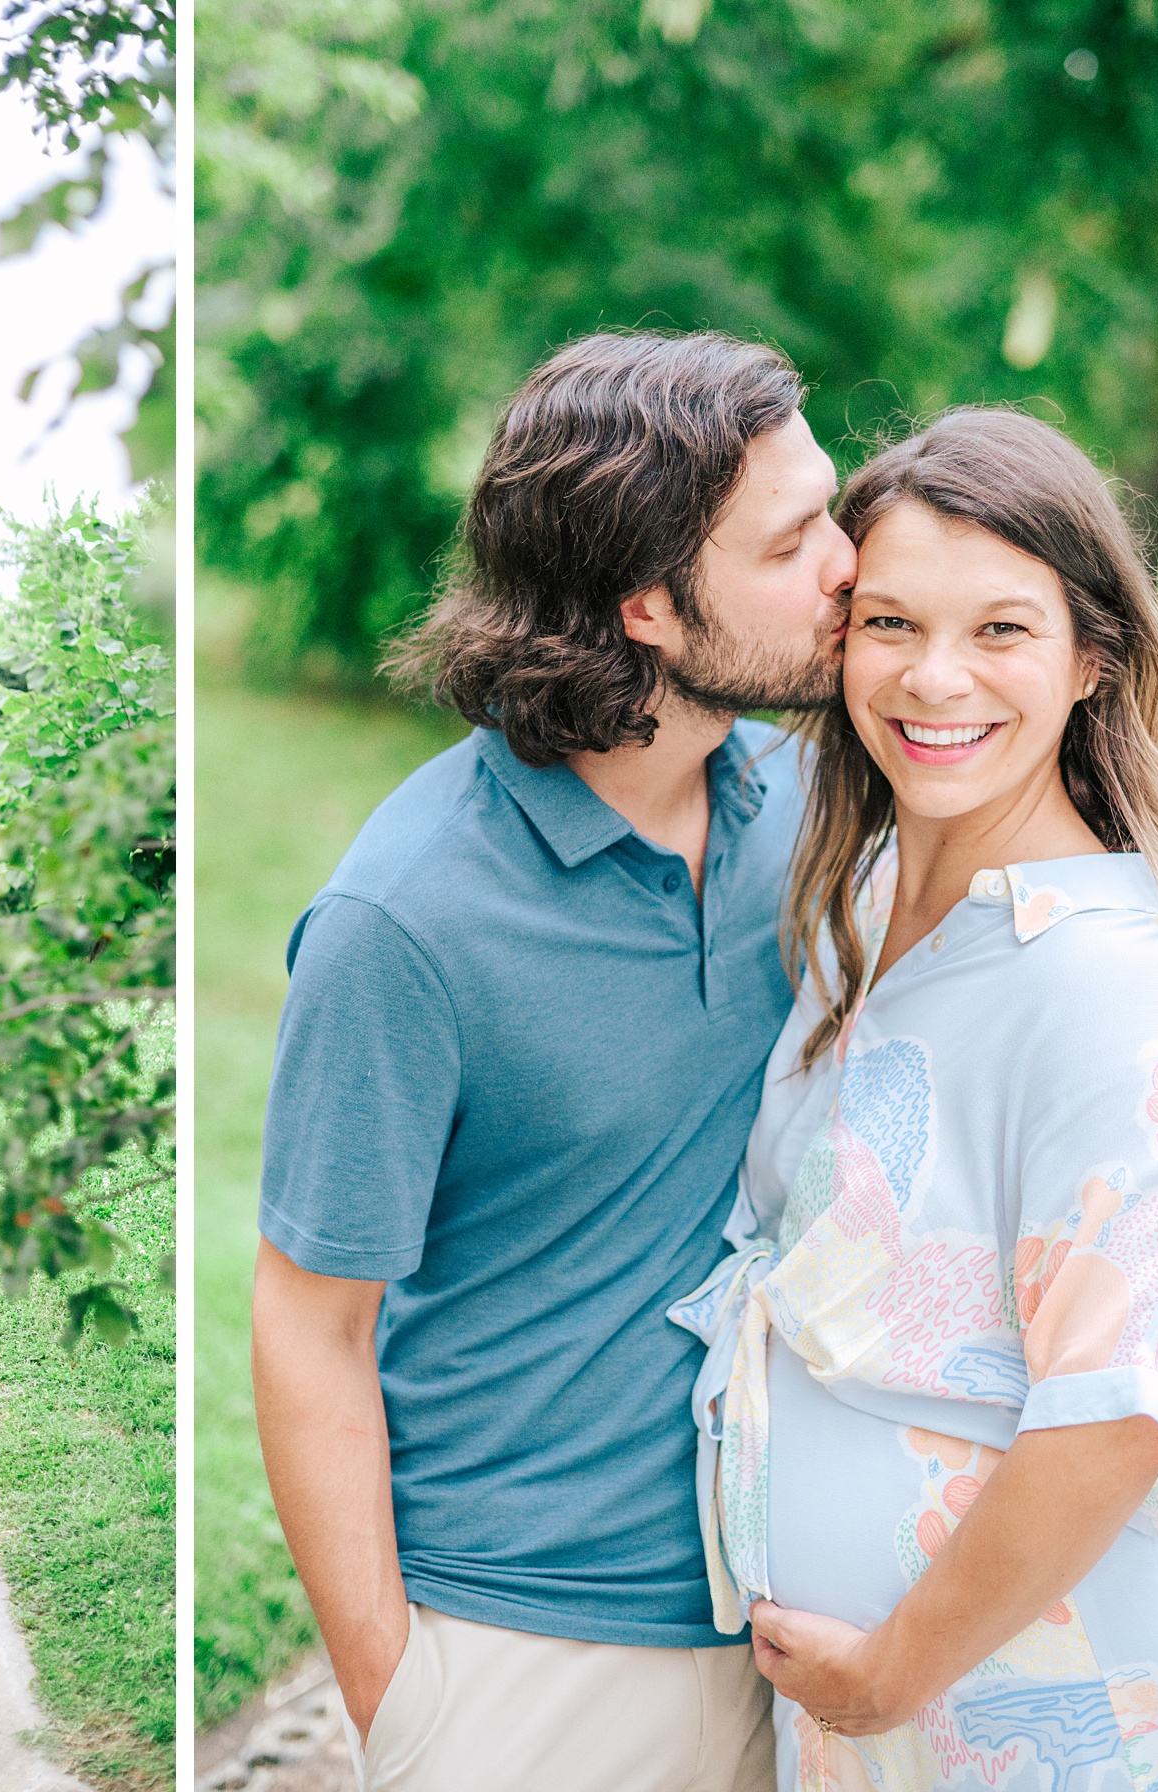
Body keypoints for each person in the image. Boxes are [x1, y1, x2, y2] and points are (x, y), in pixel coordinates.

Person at [253, 330, 856, 1791]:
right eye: (793, 543)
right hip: (527, 1664)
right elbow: (305, 1322)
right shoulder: (404, 921)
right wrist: (401, 1696)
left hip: (792, 1626)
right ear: (648, 602)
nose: (849, 563)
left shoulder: (802, 804)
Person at [670, 408, 1158, 1788]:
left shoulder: (1090, 980)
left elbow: (1119, 1410)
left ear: (1093, 661)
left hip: (1063, 1718)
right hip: (883, 1723)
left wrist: (887, 1677)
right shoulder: (869, 886)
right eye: (890, 623)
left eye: (1002, 632)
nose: (934, 679)